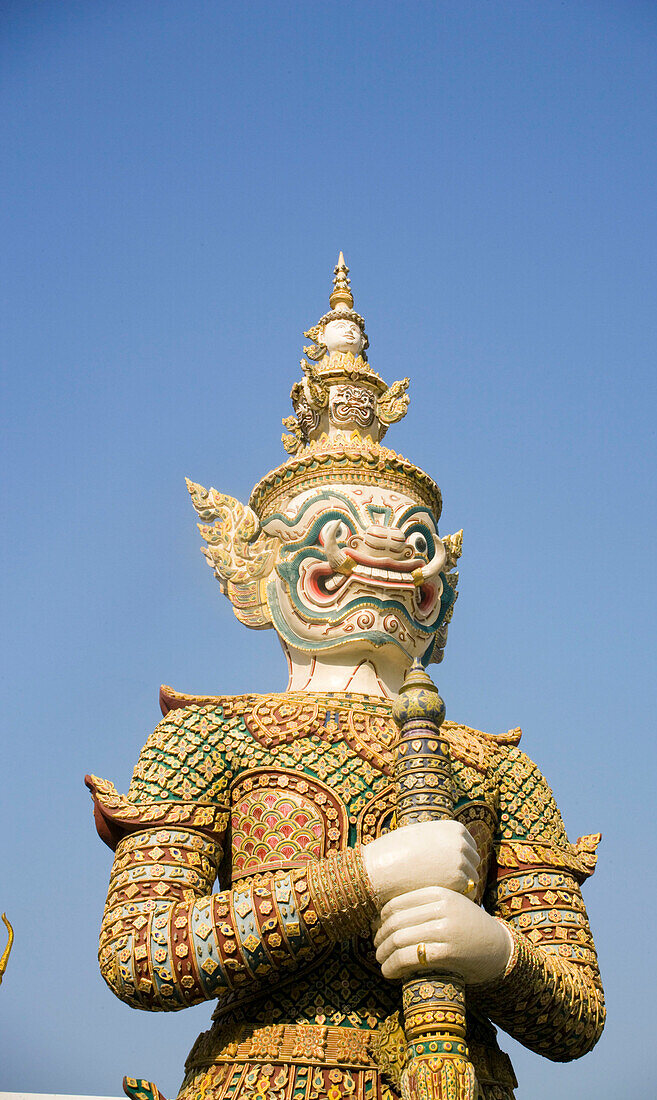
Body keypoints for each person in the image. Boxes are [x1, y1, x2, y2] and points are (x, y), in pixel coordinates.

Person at [87, 256, 604, 1100]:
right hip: (258, 1077)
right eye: (339, 527)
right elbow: (141, 955)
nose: (389, 556)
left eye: (412, 537)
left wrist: (495, 953)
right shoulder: (206, 736)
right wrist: (363, 880)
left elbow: (575, 1018)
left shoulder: (496, 768)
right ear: (260, 569)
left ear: (439, 580)